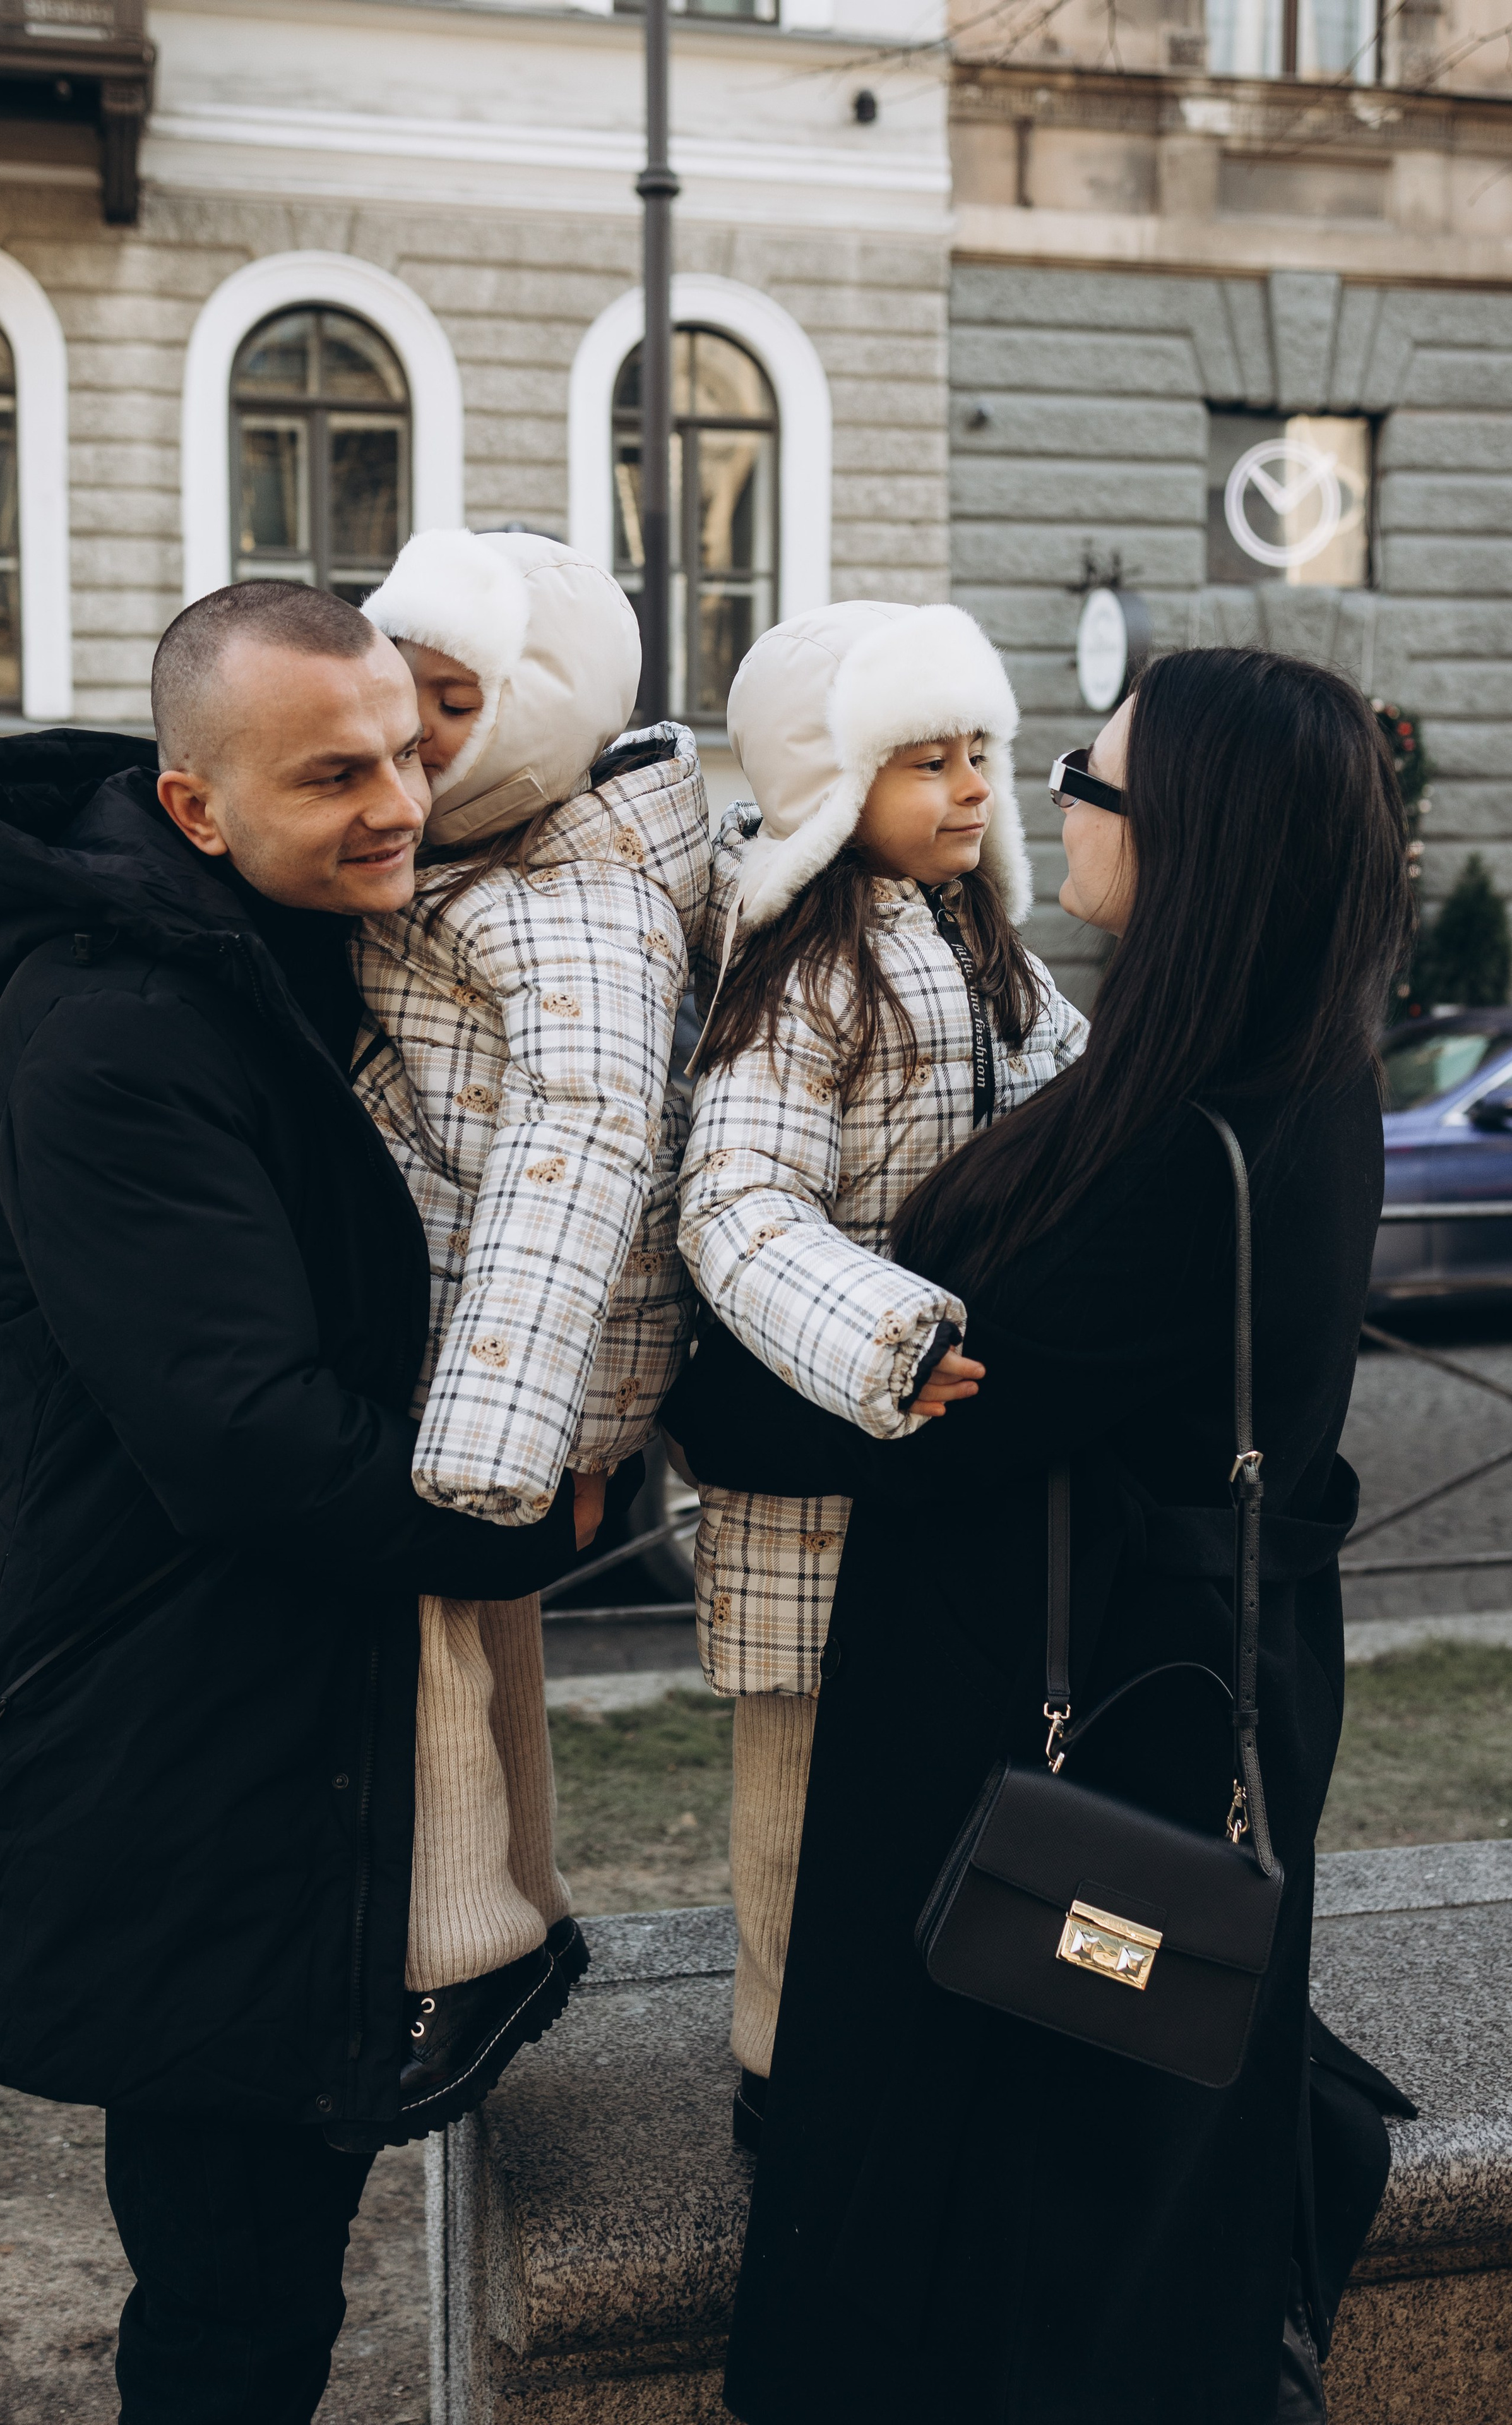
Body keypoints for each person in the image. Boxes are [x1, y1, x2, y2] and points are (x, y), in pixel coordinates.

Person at [664, 646, 1415, 2425]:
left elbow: (925, 1411)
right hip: (1187, 1694)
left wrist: (700, 1386)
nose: (1047, 797)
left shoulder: (1170, 1144)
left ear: (1191, 841)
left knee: (1014, 2206)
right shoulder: (1296, 1074)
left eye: (1090, 775)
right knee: (1123, 2158)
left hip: (1059, 1736)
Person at [0, 581, 620, 2423]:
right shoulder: (120, 1030)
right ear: (195, 808)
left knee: (265, 2276)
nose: (397, 802)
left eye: (406, 750)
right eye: (332, 775)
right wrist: (534, 1518)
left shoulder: (297, 963)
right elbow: (247, 1435)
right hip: (164, 1743)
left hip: (254, 1720)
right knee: (233, 2297)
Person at [674, 601, 1085, 2145]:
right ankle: (780, 2069)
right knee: (795, 1782)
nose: (972, 787)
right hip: (818, 1450)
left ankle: (921, 2040)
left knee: (937, 1771)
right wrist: (884, 1335)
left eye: (979, 750)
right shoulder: (808, 969)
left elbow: (1077, 1092)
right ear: (832, 785)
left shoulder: (986, 946)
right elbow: (734, 1200)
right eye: (925, 761)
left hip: (941, 1463)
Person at [346, 527, 710, 2136]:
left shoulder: (570, 897)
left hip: (518, 1338)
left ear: (541, 716)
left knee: (423, 1621)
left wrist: (495, 1439)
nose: (412, 736)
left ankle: (461, 1948)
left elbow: (581, 1140)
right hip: (497, 1321)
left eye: (453, 702)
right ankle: (523, 1908)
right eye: (398, 692)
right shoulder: (491, 856)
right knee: (479, 1630)